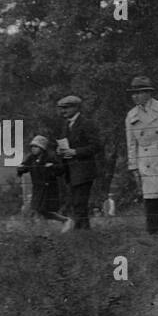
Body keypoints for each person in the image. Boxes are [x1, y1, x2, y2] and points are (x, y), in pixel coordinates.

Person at [123, 76, 158, 233]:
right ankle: (153, 235)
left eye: (138, 93)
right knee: (151, 200)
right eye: (133, 93)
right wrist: (134, 166)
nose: (135, 96)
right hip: (145, 161)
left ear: (148, 93)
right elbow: (131, 144)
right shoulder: (131, 115)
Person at [54, 95, 103, 231]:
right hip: (71, 171)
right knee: (77, 203)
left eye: (66, 108)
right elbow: (67, 144)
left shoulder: (86, 123)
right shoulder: (66, 125)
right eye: (61, 109)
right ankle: (84, 232)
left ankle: (81, 232)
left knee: (79, 203)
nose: (63, 111)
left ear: (76, 107)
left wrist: (75, 152)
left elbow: (96, 146)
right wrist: (61, 151)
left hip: (84, 170)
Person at [18, 135, 67, 225]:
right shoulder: (31, 158)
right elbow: (25, 166)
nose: (33, 148)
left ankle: (65, 220)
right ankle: (63, 220)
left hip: (48, 187)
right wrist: (21, 169)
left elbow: (61, 169)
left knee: (42, 209)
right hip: (37, 187)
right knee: (37, 209)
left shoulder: (49, 157)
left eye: (36, 146)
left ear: (42, 147)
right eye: (32, 146)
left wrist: (52, 167)